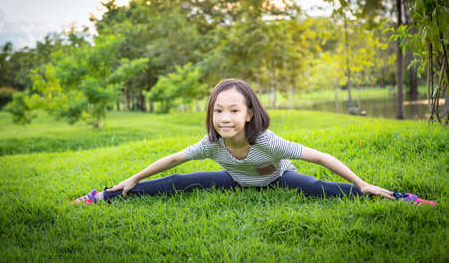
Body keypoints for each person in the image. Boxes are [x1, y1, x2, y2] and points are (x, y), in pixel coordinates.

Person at [71, 78, 435, 206]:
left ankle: (401, 198)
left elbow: (321, 157)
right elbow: (172, 160)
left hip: (279, 178)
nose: (224, 118)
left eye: (232, 111)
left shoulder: (269, 142)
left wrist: (361, 182)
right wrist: (133, 179)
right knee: (177, 183)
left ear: (248, 113)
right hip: (237, 180)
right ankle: (103, 195)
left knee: (319, 188)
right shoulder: (212, 143)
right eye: (217, 111)